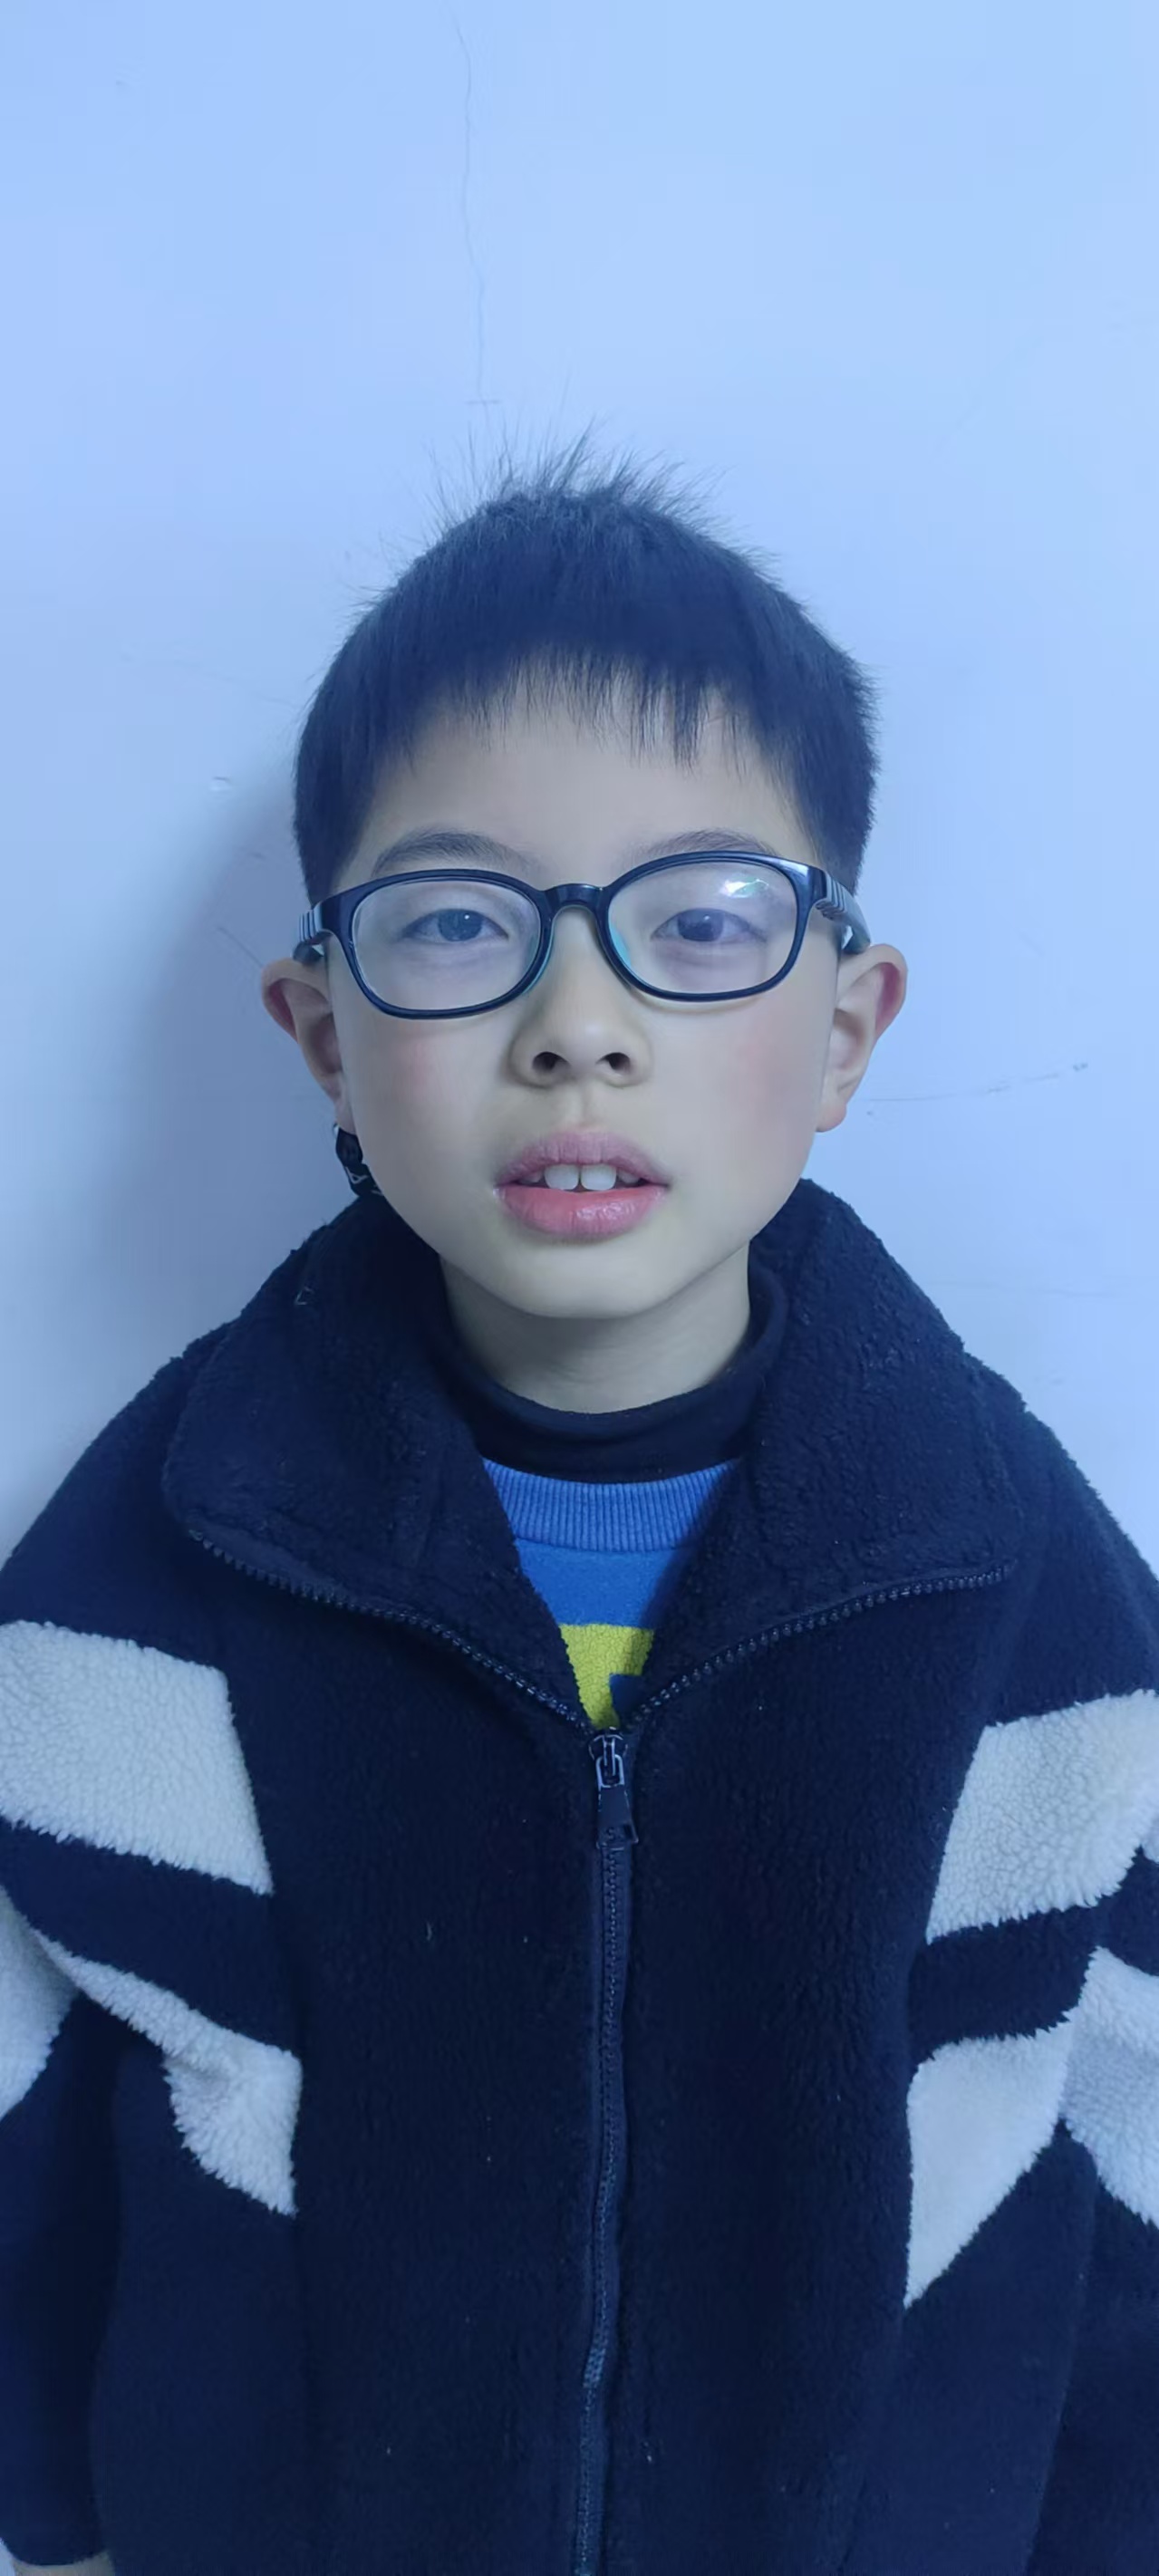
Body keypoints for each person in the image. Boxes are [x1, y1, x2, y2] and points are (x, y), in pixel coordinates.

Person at [1, 439, 1156, 2576]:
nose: (579, 1026)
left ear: (845, 1025)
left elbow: (1136, 2122)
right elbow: (33, 2127)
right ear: (323, 1032)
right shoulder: (149, 1558)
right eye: (458, 923)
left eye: (699, 922)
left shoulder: (1007, 1566)